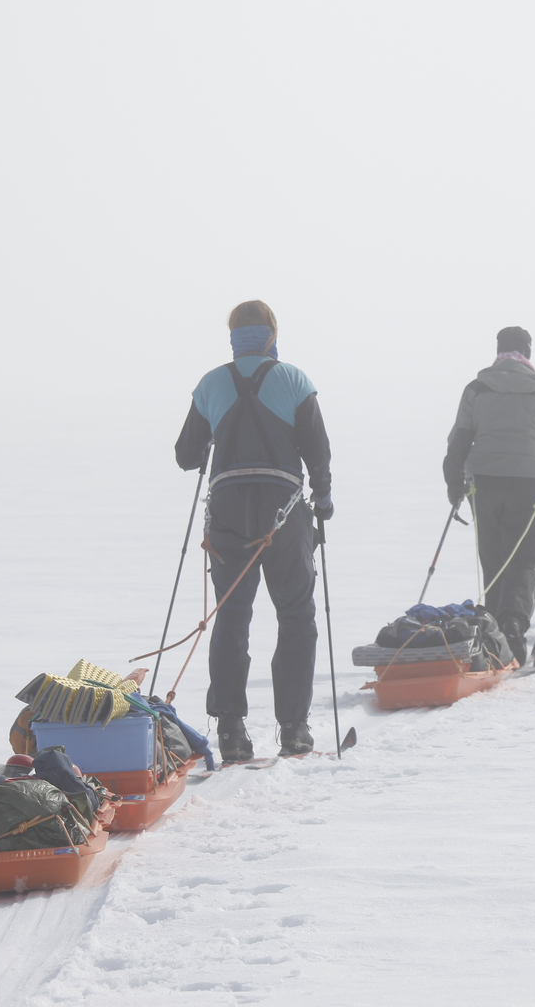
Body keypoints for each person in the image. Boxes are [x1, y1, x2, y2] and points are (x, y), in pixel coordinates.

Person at [174, 300, 331, 762]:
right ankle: (295, 729)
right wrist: (323, 502)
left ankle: (230, 730)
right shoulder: (295, 380)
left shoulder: (211, 382)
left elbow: (186, 455)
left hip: (226, 512)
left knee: (232, 615)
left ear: (233, 336)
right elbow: (318, 453)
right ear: (271, 334)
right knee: (297, 615)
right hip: (283, 512)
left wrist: (216, 436)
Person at [444, 326, 535, 662]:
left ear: (498, 351)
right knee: (524, 560)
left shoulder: (477, 388)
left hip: (483, 483)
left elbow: (458, 441)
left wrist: (454, 484)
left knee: (494, 559)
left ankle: (494, 634)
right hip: (528, 484)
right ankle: (512, 628)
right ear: (527, 353)